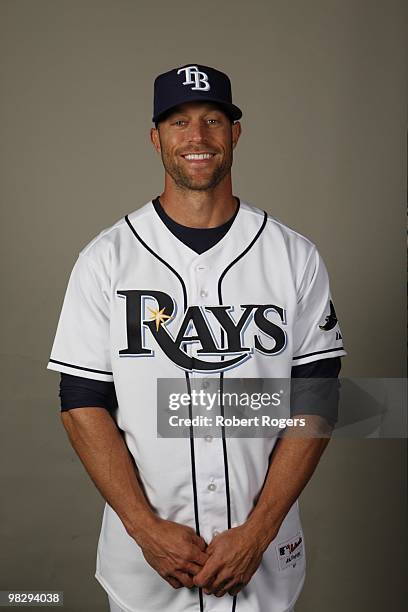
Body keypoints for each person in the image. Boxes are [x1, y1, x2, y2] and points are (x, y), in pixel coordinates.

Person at [47, 63, 346, 612]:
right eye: (179, 122)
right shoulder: (106, 259)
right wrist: (144, 529)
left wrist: (257, 532)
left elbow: (317, 397)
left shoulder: (291, 255)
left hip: (264, 557)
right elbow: (81, 402)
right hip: (146, 562)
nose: (198, 137)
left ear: (235, 133)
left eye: (213, 120)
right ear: (156, 137)